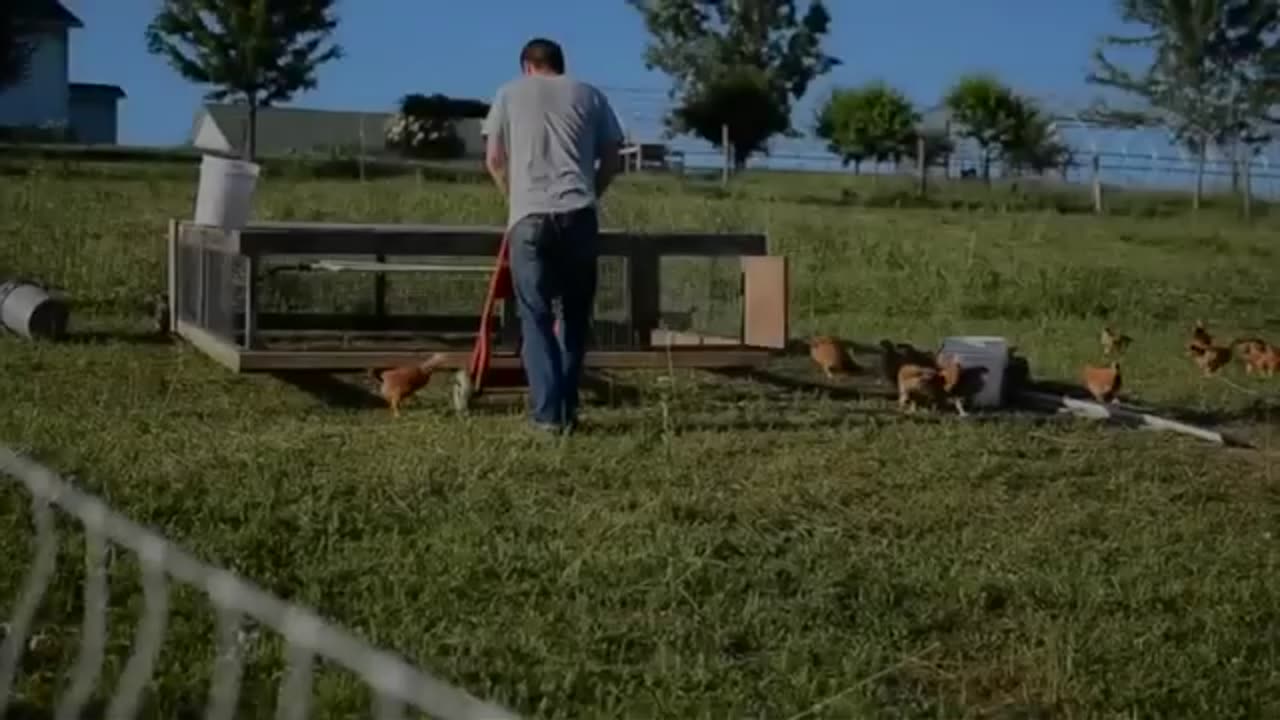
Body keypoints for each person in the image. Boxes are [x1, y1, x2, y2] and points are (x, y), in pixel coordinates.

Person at [482, 37, 625, 435]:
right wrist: (590, 194)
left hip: (529, 217)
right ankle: (568, 407)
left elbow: (494, 159)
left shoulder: (508, 93)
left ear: (527, 65)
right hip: (578, 213)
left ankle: (547, 416)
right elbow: (612, 158)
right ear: (560, 64)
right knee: (575, 317)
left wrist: (515, 200)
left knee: (536, 315)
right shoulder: (590, 95)